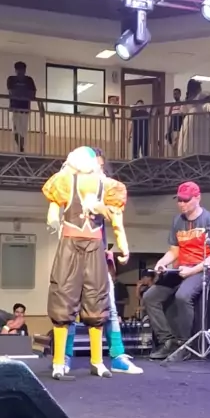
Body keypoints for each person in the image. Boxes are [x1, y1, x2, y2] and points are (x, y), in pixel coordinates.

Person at [43, 145, 129, 380]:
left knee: (96, 299)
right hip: (70, 243)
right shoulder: (64, 181)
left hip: (94, 245)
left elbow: (116, 219)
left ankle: (97, 361)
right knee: (63, 297)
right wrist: (53, 220)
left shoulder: (108, 186)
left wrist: (123, 244)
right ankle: (59, 361)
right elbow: (53, 209)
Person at [143, 181, 210, 362]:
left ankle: (184, 345)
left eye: (186, 200)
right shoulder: (177, 221)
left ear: (197, 198)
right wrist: (162, 263)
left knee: (182, 296)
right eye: (179, 200)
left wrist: (193, 270)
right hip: (181, 269)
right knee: (150, 297)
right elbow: (174, 252)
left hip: (203, 269)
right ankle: (168, 342)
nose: (181, 204)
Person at [6, 61, 37, 153]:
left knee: (23, 131)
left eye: (22, 70)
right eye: (19, 70)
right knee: (15, 130)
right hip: (14, 108)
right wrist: (24, 94)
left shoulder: (29, 80)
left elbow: (32, 94)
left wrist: (20, 93)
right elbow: (12, 92)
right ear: (15, 70)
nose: (21, 72)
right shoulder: (11, 79)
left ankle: (21, 148)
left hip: (24, 109)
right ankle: (20, 147)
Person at [167, 88, 183, 155]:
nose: (175, 95)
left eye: (176, 94)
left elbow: (183, 116)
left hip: (180, 128)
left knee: (179, 146)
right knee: (173, 147)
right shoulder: (172, 106)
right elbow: (170, 118)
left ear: (180, 94)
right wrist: (169, 130)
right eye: (174, 94)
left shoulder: (182, 105)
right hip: (173, 129)